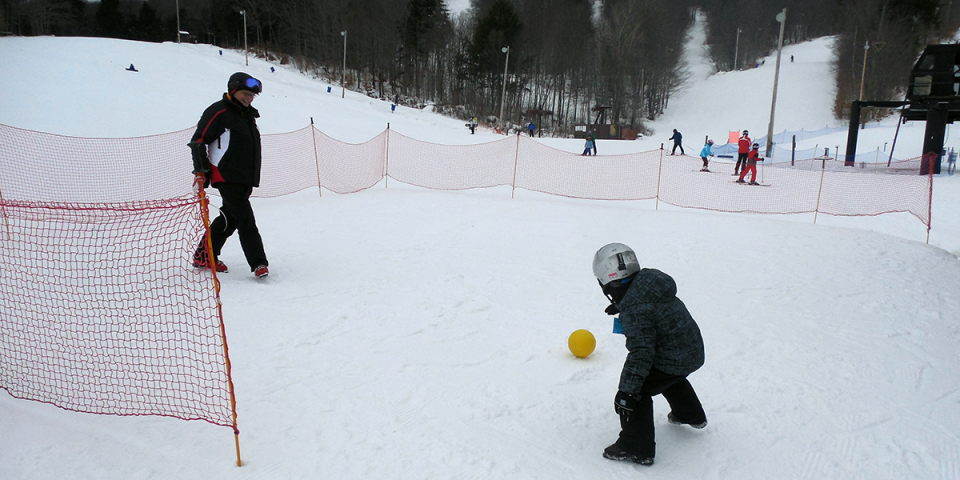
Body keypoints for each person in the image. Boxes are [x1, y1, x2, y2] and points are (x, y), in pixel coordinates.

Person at [592, 243, 707, 467]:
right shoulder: (648, 286)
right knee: (668, 376)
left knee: (640, 388)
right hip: (691, 352)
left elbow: (641, 353)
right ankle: (691, 414)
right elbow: (647, 308)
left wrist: (626, 391)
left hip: (674, 356)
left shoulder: (637, 309)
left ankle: (637, 447)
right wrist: (624, 306)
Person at [189, 72, 270, 279]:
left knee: (230, 219)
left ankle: (204, 255)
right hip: (225, 175)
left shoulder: (247, 116)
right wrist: (201, 171)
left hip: (244, 177)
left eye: (252, 96)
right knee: (245, 220)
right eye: (245, 94)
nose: (248, 98)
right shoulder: (219, 111)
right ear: (233, 90)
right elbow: (199, 140)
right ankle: (258, 263)